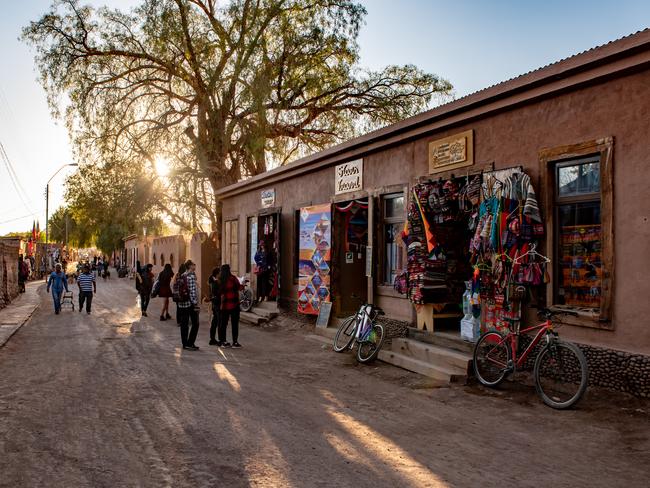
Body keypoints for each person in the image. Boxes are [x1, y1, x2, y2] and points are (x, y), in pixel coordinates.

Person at [218, 264, 243, 348]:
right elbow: (239, 287)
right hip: (234, 304)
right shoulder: (233, 279)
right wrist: (243, 284)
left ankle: (223, 341)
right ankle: (235, 342)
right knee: (234, 324)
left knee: (223, 324)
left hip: (224, 305)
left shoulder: (220, 280)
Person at [177, 260, 200, 350]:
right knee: (195, 323)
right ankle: (190, 343)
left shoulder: (183, 275)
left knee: (184, 324)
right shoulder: (190, 277)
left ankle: (185, 344)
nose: (195, 266)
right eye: (194, 265)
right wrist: (195, 304)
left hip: (182, 304)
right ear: (190, 266)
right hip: (189, 304)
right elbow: (192, 292)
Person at [208, 267, 221, 345]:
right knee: (219, 322)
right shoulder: (215, 282)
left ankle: (212, 339)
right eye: (220, 273)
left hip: (214, 303)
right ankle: (220, 340)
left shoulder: (212, 281)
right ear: (217, 274)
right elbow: (217, 293)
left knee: (215, 321)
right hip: (217, 303)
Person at [173, 262, 187, 327]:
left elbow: (174, 284)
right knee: (183, 308)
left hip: (176, 294)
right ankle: (182, 321)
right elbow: (182, 284)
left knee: (178, 308)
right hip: (181, 294)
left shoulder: (176, 274)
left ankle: (178, 321)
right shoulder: (183, 276)